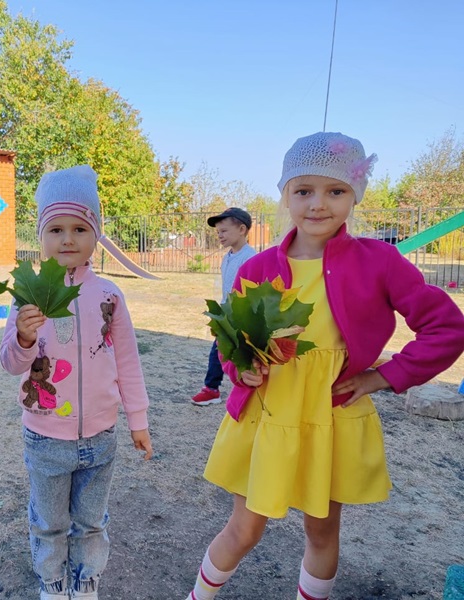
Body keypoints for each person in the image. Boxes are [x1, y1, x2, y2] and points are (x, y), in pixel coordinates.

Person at [184, 132, 464, 600]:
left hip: (329, 418)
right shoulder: (259, 268)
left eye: (335, 191)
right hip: (268, 417)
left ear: (355, 195)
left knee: (321, 532)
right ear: (286, 195)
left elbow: (447, 328)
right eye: (303, 190)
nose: (318, 204)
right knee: (244, 529)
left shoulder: (380, 261)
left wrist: (383, 376)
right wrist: (241, 370)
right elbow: (231, 340)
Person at [0, 165, 154, 600]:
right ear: (41, 236)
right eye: (56, 229)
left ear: (96, 235)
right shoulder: (27, 293)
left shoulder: (109, 295)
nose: (68, 239)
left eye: (80, 228)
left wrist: (137, 420)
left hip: (101, 435)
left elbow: (127, 361)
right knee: (49, 521)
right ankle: (52, 582)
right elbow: (11, 363)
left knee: (92, 520)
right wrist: (26, 337)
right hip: (46, 436)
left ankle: (85, 581)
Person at [191, 207, 256, 406]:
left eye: (224, 231)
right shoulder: (227, 257)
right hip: (227, 313)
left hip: (243, 317)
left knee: (245, 355)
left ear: (242, 229)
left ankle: (248, 389)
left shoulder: (250, 258)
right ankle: (212, 388)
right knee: (219, 350)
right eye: (218, 231)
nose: (220, 235)